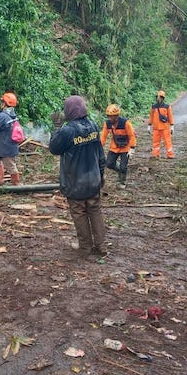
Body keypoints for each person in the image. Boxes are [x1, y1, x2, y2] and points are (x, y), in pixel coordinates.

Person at [49, 95, 108, 259]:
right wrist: (101, 175)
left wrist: (56, 127)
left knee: (79, 214)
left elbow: (54, 148)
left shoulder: (68, 131)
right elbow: (100, 155)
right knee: (95, 211)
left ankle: (85, 248)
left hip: (75, 182)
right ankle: (101, 246)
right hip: (93, 179)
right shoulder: (93, 126)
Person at [100, 104, 137, 188]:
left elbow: (131, 135)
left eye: (112, 116)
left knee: (123, 166)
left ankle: (122, 182)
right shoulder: (107, 124)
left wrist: (132, 147)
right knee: (109, 163)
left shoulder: (125, 123)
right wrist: (99, 146)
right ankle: (120, 170)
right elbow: (103, 136)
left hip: (125, 148)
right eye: (108, 116)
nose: (110, 118)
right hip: (114, 147)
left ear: (116, 116)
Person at [147, 89, 175, 159]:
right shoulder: (154, 107)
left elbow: (170, 116)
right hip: (156, 128)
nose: (159, 98)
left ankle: (170, 154)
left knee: (167, 142)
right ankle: (155, 154)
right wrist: (149, 125)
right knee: (155, 142)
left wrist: (172, 126)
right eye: (158, 97)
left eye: (160, 97)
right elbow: (151, 117)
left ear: (163, 98)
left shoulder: (167, 106)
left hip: (165, 128)